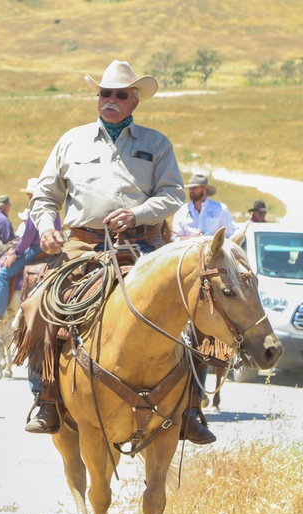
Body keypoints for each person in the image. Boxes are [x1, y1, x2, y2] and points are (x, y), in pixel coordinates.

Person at [26, 59, 214, 444]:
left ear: (134, 102)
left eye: (119, 95)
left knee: (194, 309)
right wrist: (46, 227)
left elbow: (173, 193)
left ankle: (191, 406)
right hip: (83, 243)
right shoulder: (71, 141)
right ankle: (46, 397)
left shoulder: (156, 143)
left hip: (144, 244)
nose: (110, 100)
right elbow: (46, 196)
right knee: (39, 304)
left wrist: (138, 213)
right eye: (104, 93)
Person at [0, 178, 59, 324]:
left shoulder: (35, 210)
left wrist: (15, 253)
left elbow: (27, 238)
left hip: (36, 249)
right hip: (52, 249)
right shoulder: (54, 210)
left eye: (29, 195)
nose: (28, 198)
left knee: (3, 274)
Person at [171, 173, 236, 240]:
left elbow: (231, 234)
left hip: (212, 249)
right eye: (190, 188)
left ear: (204, 189)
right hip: (188, 249)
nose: (191, 191)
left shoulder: (220, 209)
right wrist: (191, 238)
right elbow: (174, 239)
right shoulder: (182, 211)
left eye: (195, 188)